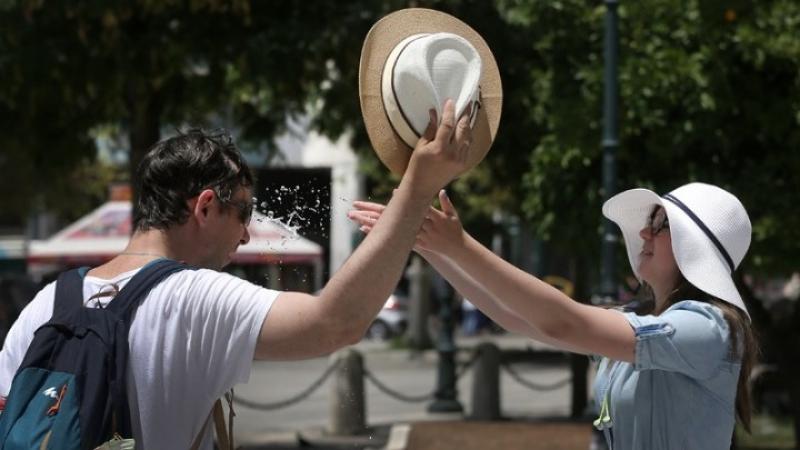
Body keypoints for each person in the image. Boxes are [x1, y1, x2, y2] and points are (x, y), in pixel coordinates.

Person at [0, 98, 473, 449]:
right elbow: (337, 322)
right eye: (243, 213)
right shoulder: (192, 296)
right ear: (205, 207)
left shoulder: (45, 305)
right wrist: (417, 186)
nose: (246, 235)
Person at [349, 182, 758, 450]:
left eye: (662, 225)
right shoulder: (641, 318)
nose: (644, 234)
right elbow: (518, 318)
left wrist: (458, 246)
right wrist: (431, 247)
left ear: (696, 245)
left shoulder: (711, 329)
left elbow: (563, 322)